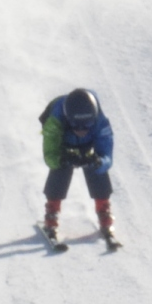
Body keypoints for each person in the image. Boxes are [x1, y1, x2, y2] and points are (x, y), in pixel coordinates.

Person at [39, 87, 114, 239]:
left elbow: (107, 155)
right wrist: (62, 159)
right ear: (67, 119)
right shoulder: (54, 122)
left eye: (87, 125)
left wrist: (99, 162)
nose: (81, 130)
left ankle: (103, 209)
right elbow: (50, 155)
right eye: (75, 125)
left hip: (88, 145)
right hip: (63, 143)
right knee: (60, 168)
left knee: (96, 167)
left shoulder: (100, 122)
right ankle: (52, 211)